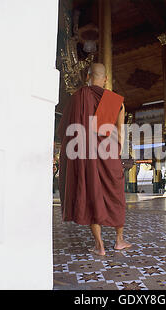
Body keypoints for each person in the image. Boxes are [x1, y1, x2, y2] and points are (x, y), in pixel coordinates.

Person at [58, 63, 131, 256]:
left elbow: (65, 132)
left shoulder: (76, 98)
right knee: (116, 196)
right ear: (106, 79)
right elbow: (120, 134)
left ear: (87, 76)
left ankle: (99, 246)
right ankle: (119, 240)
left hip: (85, 158)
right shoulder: (116, 102)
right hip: (109, 156)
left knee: (92, 196)